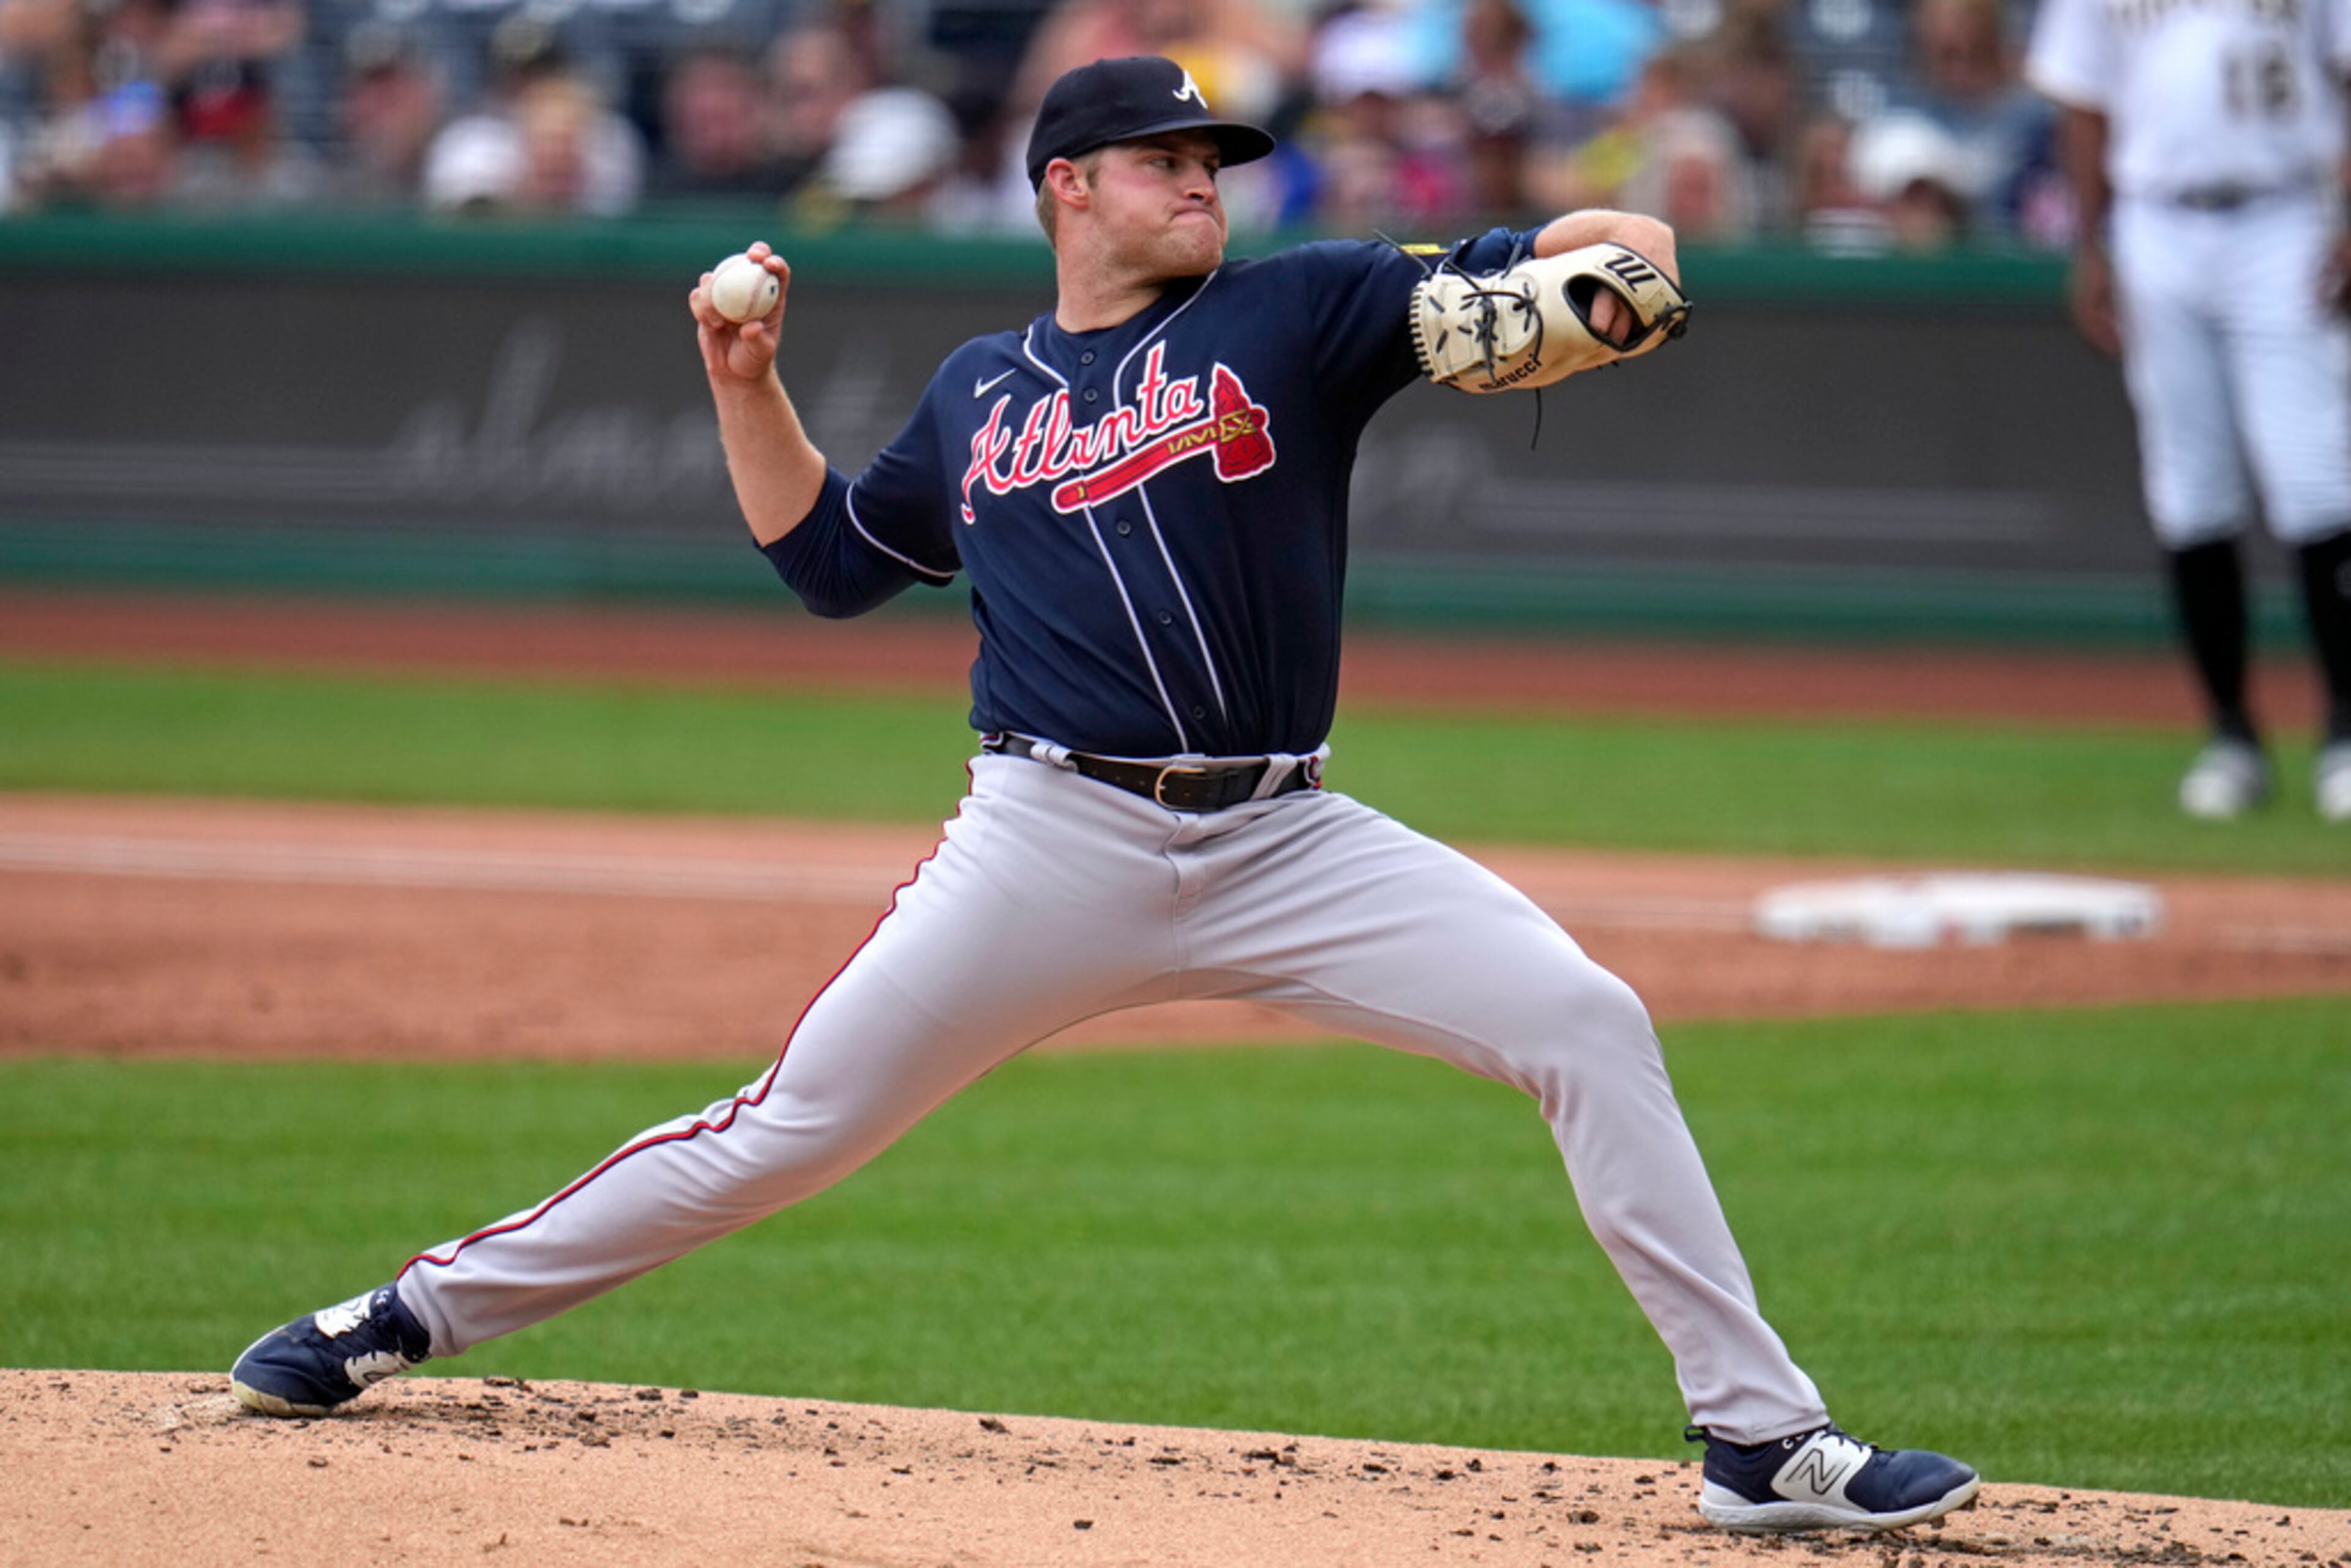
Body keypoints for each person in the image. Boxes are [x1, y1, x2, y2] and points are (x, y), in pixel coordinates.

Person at [228, 53, 1982, 1536]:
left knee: (1585, 1019)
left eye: (1216, 159)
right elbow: (838, 564)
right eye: (1168, 161)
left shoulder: (1311, 307)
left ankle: (1757, 1440)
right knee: (785, 1131)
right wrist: (740, 388)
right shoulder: (980, 392)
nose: (1205, 181)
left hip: (1288, 836)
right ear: (1069, 185)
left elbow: (1589, 261)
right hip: (1048, 842)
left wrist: (1618, 265)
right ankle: (404, 1312)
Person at [2026, 0, 2351, 821]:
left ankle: (2346, 732)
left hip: (2287, 210)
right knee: (2190, 487)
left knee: (2317, 478)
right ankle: (2232, 736)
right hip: (2157, 218)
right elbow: (2083, 97)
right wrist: (2089, 241)